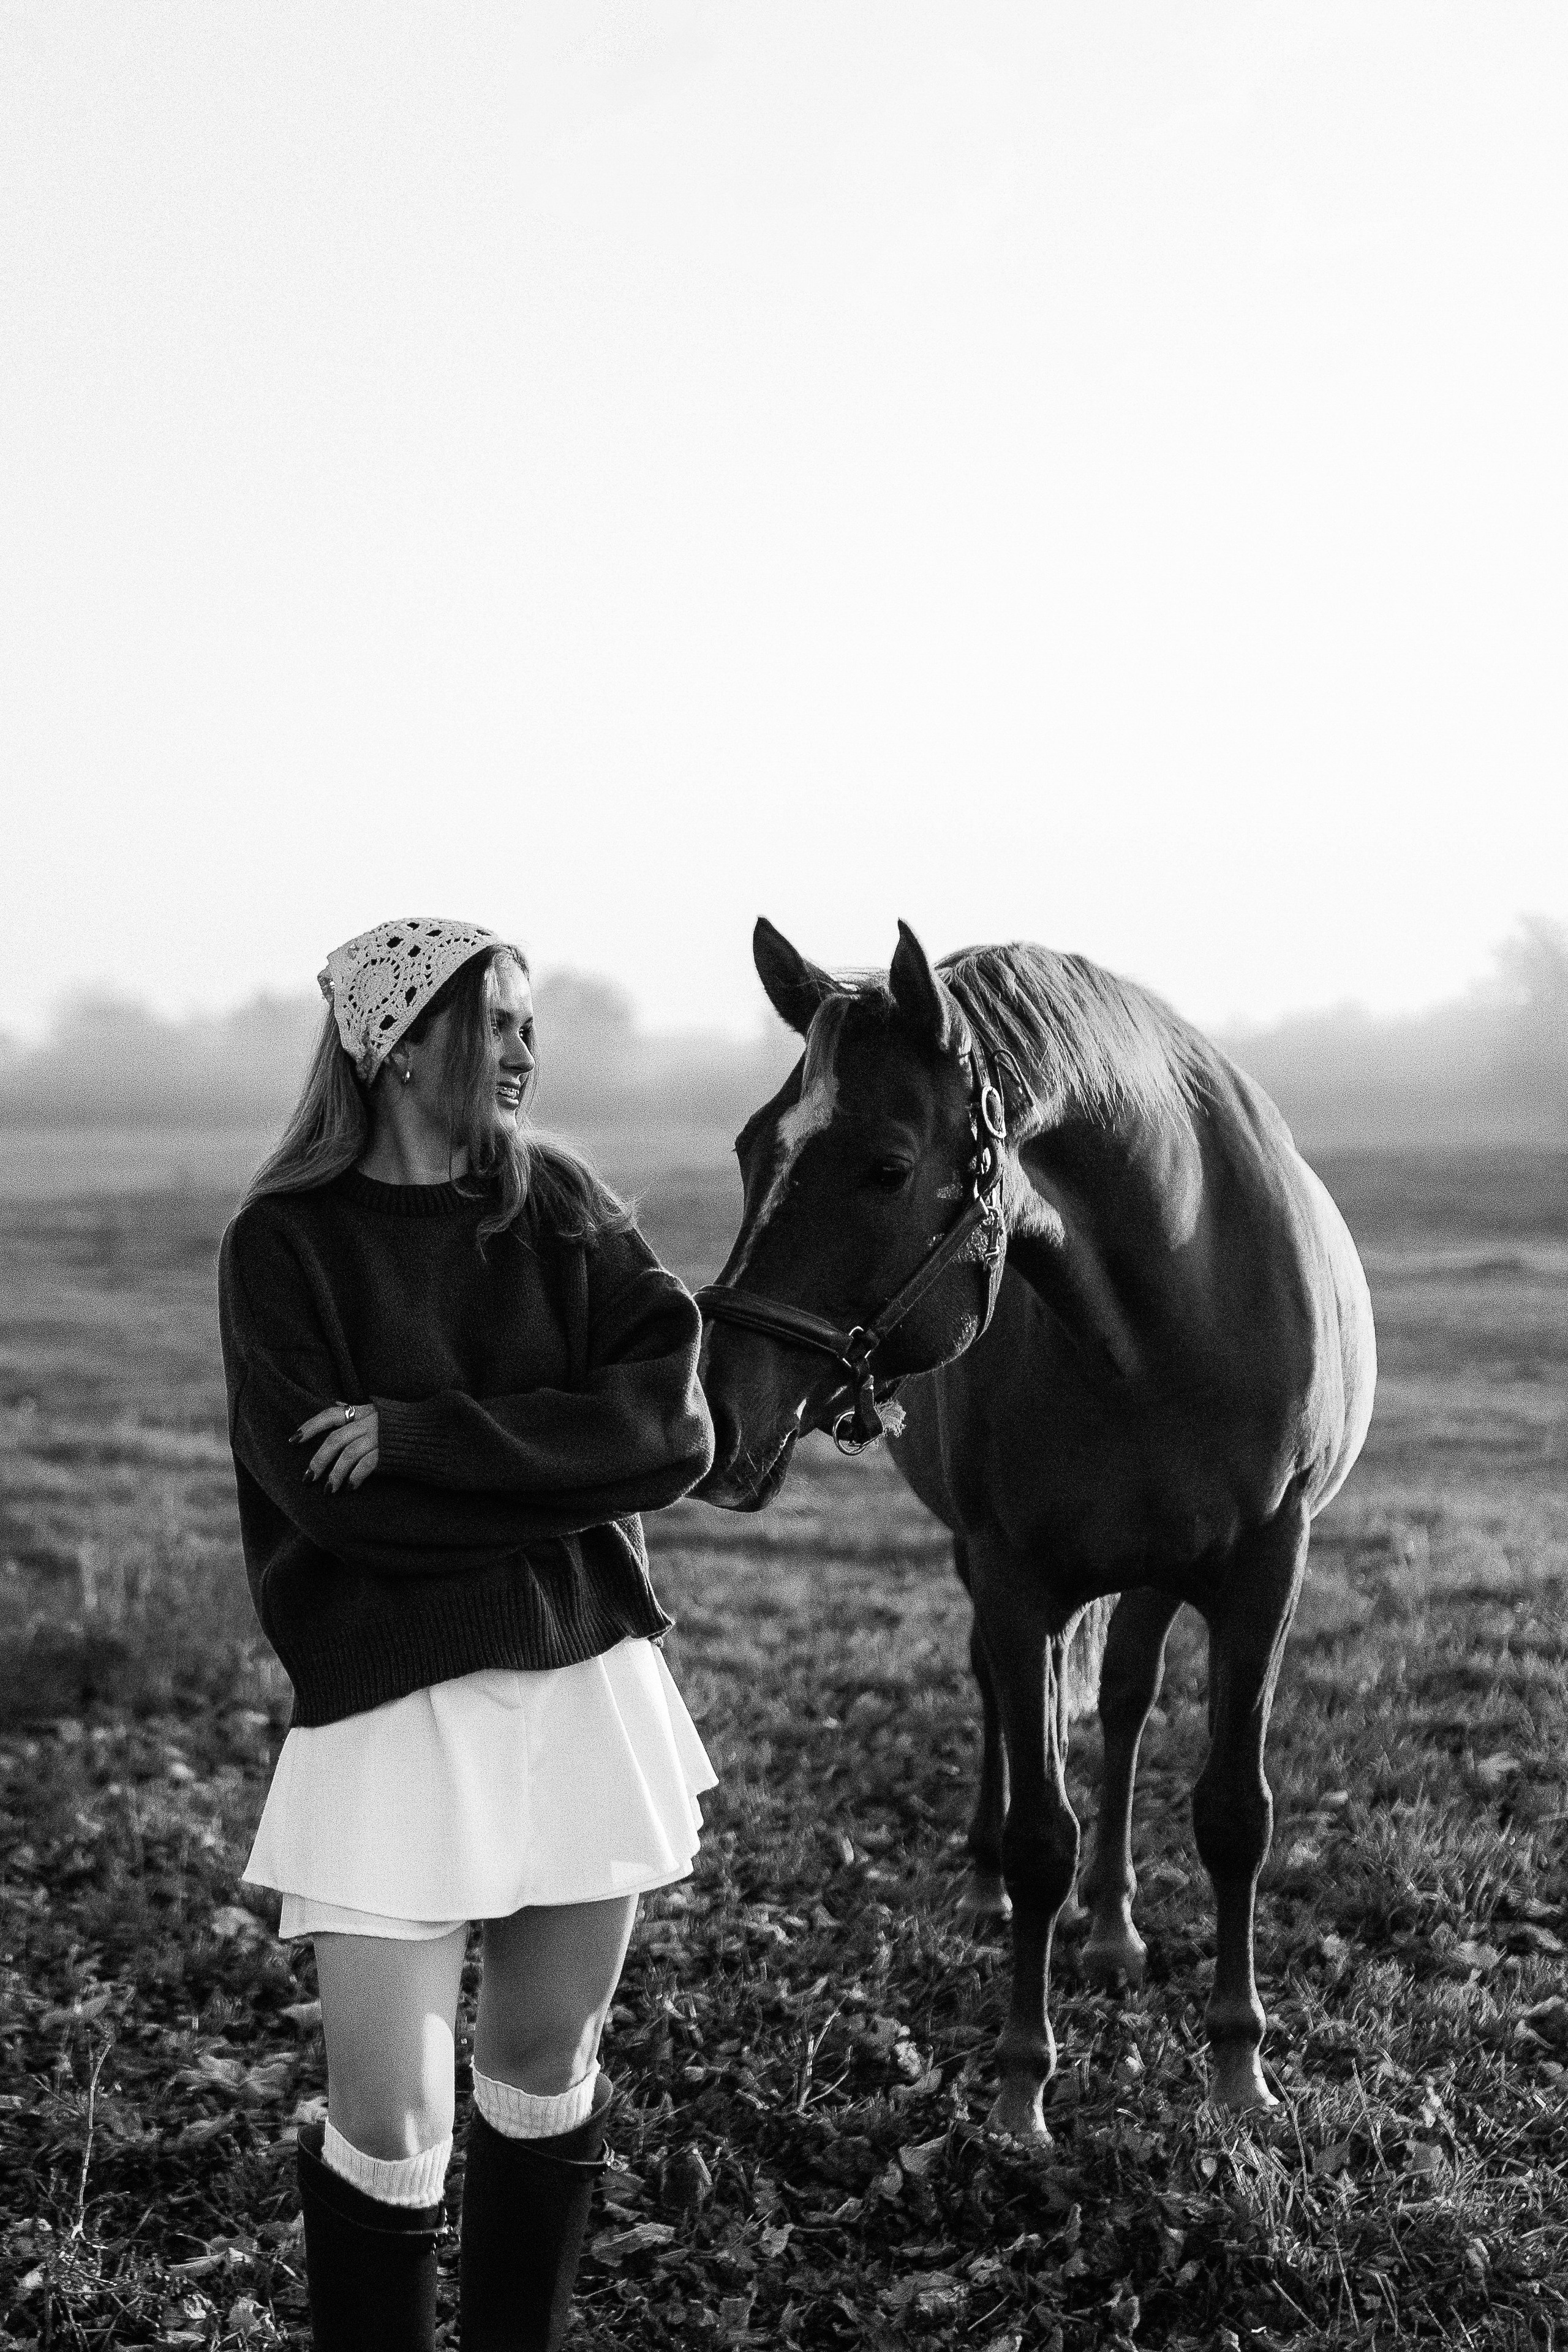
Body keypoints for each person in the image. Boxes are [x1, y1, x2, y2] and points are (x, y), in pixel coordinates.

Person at [217, 918, 717, 2351]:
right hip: (387, 1714)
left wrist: (425, 1439)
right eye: (493, 1018)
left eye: (526, 1019)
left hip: (582, 1694)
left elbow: (675, 1424)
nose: (522, 1048)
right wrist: (569, 1482)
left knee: (547, 2062)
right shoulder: (287, 1242)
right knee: (389, 2120)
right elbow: (338, 1517)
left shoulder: (556, 1203)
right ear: (396, 1042)